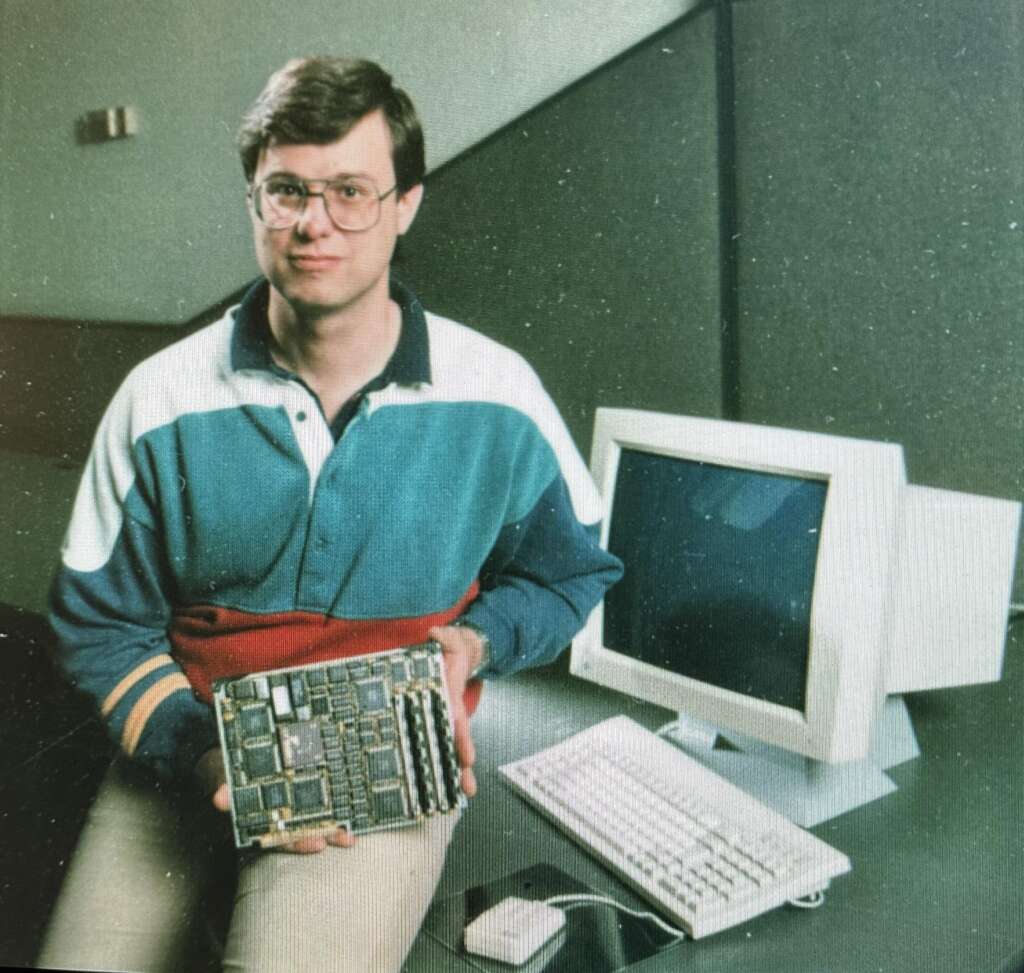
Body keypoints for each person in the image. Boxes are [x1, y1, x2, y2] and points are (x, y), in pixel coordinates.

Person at [39, 56, 622, 973]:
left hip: (381, 758)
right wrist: (201, 753)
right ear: (253, 201)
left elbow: (570, 569)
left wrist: (475, 642)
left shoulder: (499, 392)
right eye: (286, 192)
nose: (316, 224)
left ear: (406, 204)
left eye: (352, 191)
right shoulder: (158, 398)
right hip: (196, 734)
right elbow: (98, 623)